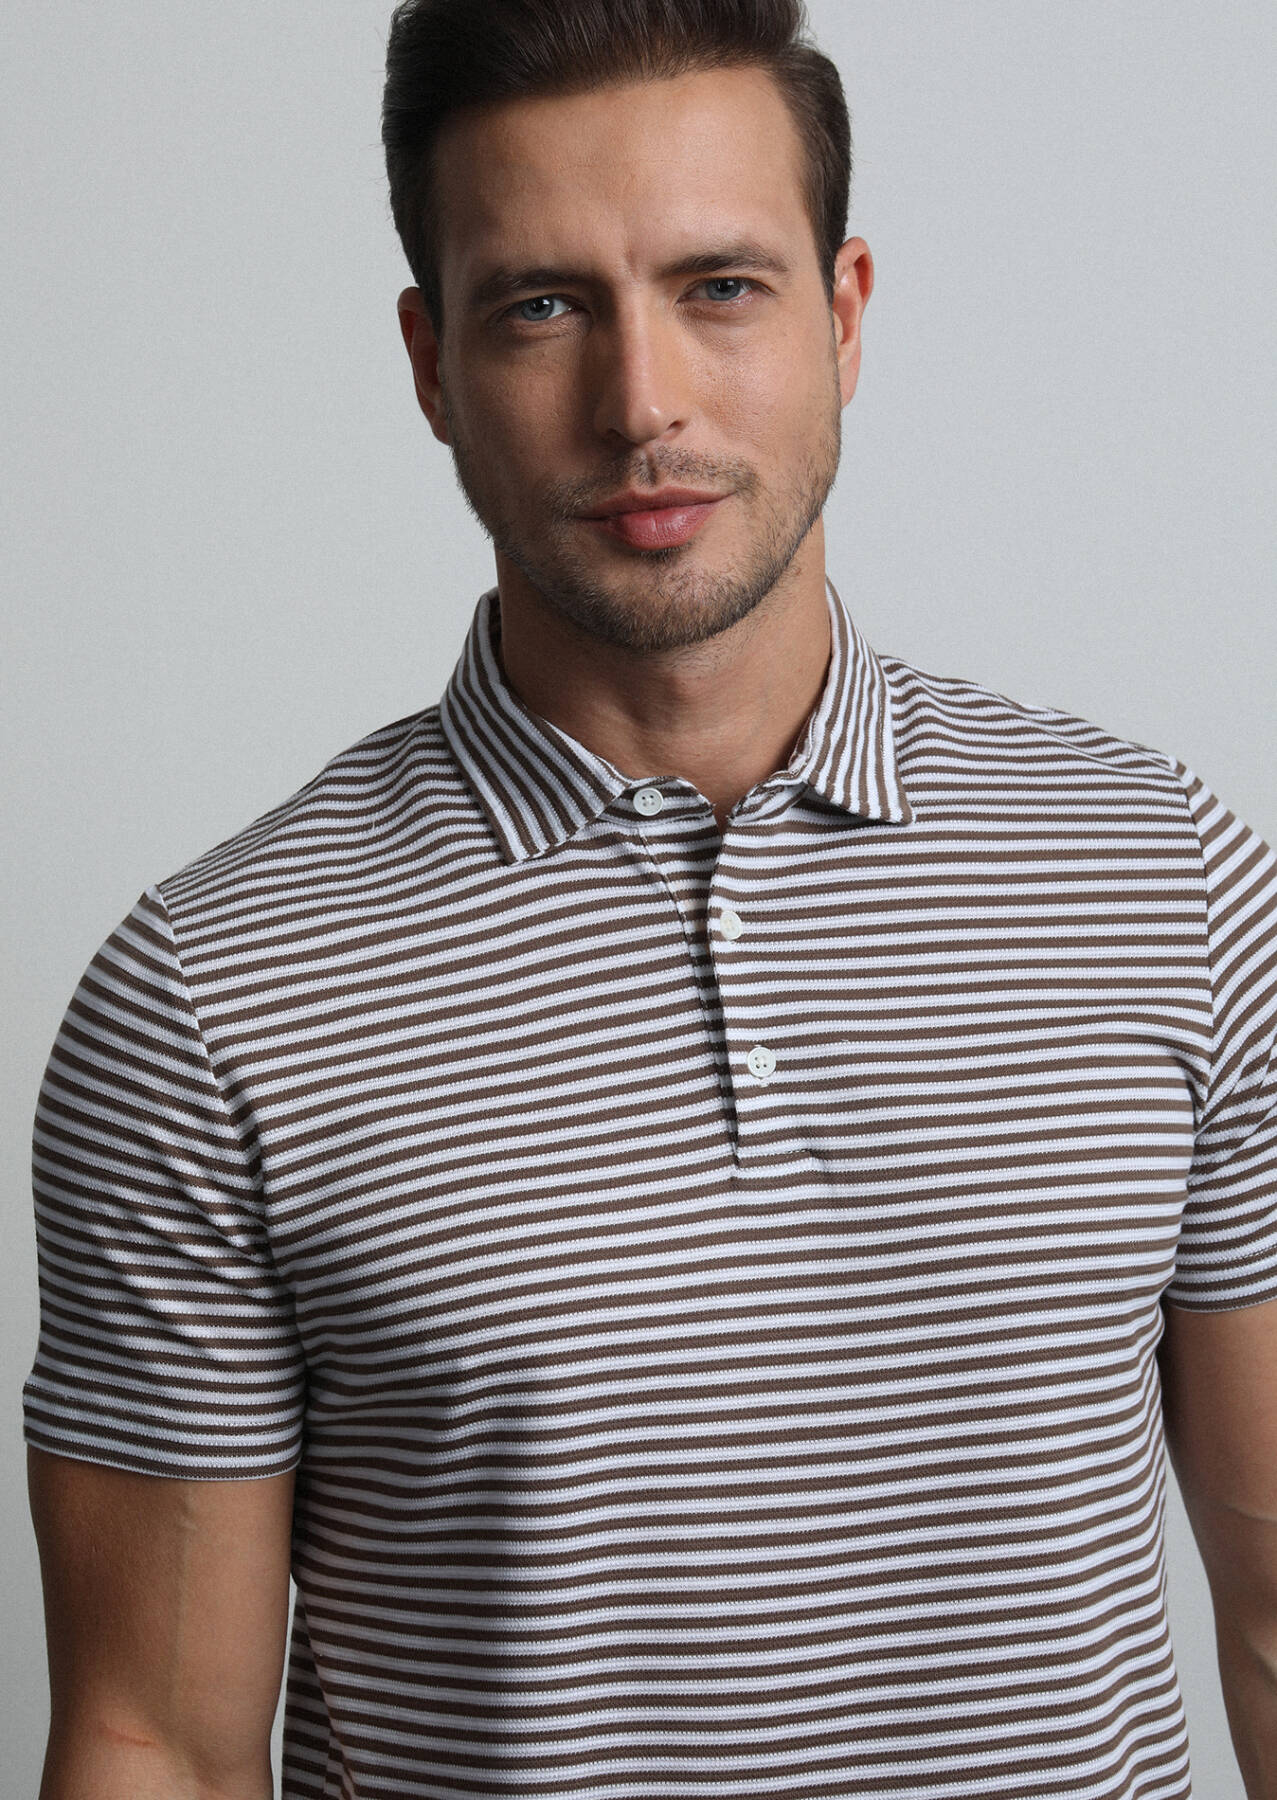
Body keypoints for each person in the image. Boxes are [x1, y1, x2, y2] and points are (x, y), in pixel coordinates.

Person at [22, 0, 1277, 1795]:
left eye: (720, 287)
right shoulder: (207, 996)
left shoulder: (1163, 879)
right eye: (542, 306)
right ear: (431, 364)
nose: (642, 405)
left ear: (843, 313)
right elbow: (158, 1744)